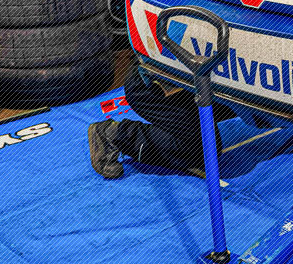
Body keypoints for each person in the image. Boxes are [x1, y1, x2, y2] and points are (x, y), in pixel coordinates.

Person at [88, 65, 232, 179]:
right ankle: (115, 134)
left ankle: (183, 124)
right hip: (154, 85)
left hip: (198, 80)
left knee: (239, 102)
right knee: (203, 150)